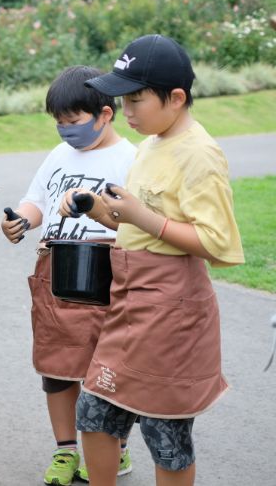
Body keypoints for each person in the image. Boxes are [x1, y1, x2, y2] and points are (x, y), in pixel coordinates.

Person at [74, 35, 244, 486]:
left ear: (176, 98)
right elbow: (134, 224)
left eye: (135, 99)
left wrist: (141, 216)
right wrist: (98, 208)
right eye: (121, 100)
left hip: (173, 311)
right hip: (130, 302)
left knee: (164, 428)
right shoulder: (150, 144)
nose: (125, 111)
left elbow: (216, 241)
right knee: (93, 411)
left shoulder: (199, 153)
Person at [1, 66, 137, 485]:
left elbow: (137, 218)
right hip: (55, 272)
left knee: (108, 369)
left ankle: (116, 448)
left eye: (74, 123)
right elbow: (35, 200)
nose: (65, 132)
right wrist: (22, 221)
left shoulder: (130, 158)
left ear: (105, 114)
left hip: (106, 271)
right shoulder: (58, 156)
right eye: (59, 123)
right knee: (56, 367)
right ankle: (65, 452)